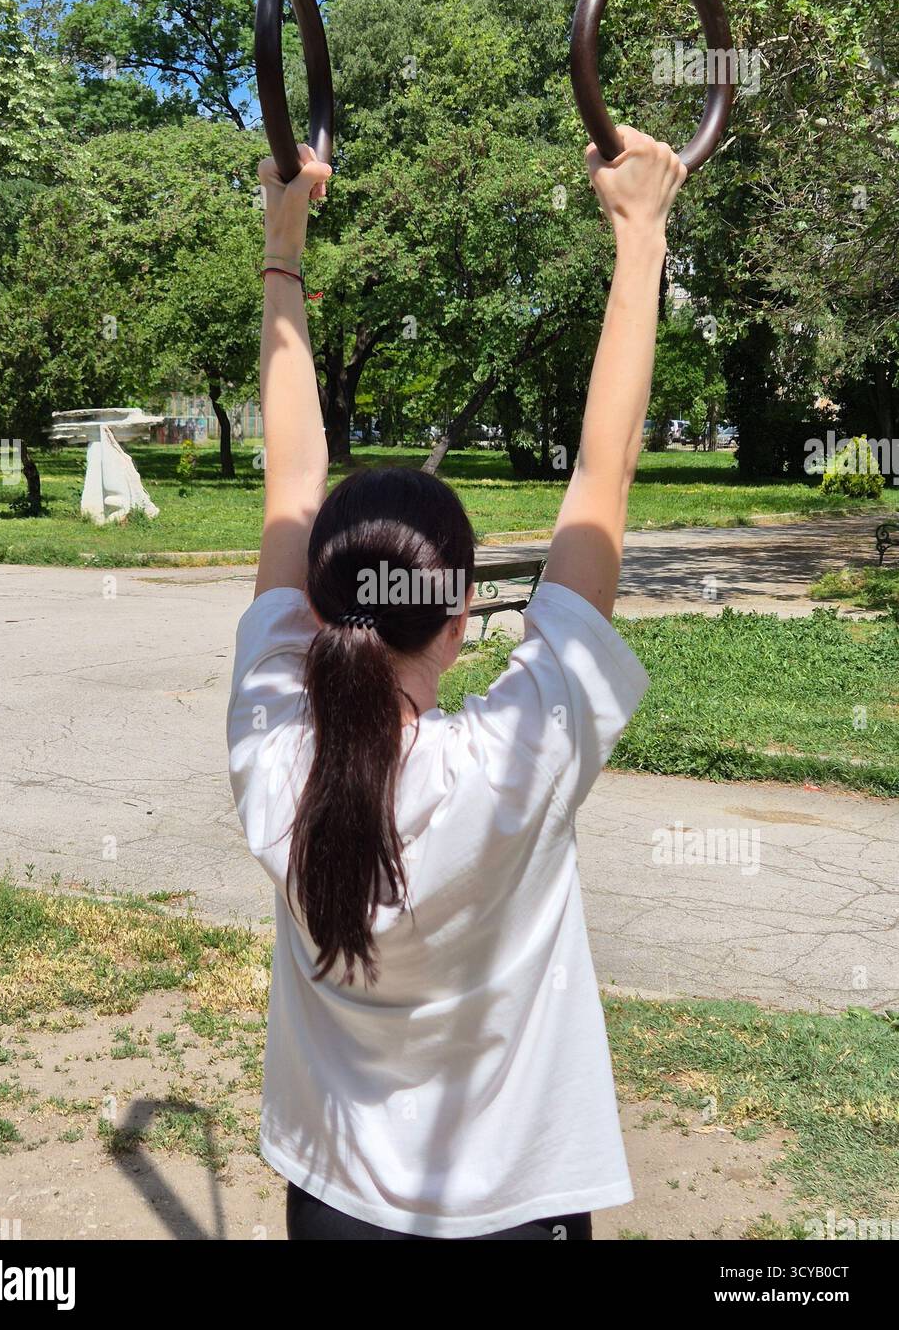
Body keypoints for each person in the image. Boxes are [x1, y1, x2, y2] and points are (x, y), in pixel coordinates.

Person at [228, 128, 687, 1241]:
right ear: (461, 613)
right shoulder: (513, 761)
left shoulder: (277, 747)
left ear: (322, 611)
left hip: (334, 1203)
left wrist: (281, 245)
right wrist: (640, 235)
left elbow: (292, 475)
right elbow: (602, 473)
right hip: (513, 1210)